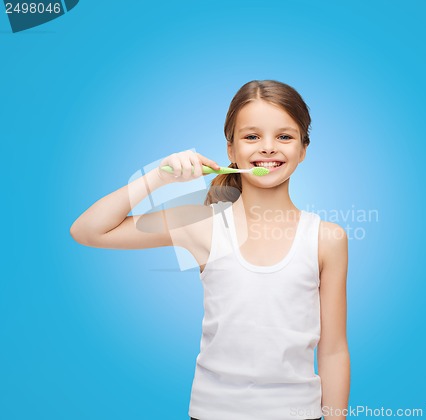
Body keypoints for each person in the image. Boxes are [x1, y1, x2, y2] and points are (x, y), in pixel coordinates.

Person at [70, 80, 350, 420]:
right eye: (251, 136)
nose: (268, 147)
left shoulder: (327, 238)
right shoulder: (201, 224)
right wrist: (158, 178)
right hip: (212, 412)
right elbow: (88, 230)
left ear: (303, 149)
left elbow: (333, 349)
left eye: (284, 136)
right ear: (230, 150)